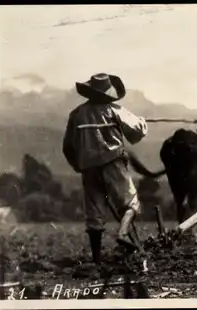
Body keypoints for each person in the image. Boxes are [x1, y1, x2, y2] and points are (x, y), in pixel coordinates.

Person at [62, 73, 148, 266]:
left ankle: (97, 261)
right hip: (113, 164)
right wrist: (142, 122)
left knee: (94, 214)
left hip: (88, 168)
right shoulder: (115, 110)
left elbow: (67, 146)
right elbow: (137, 132)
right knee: (131, 203)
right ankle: (123, 233)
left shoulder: (76, 114)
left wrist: (78, 165)